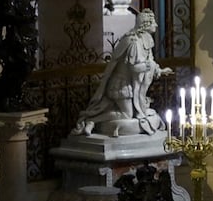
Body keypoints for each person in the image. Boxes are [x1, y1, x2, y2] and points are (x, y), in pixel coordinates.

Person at [73, 9, 172, 137]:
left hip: (132, 86)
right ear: (146, 24)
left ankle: (94, 120)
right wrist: (149, 66)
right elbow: (134, 68)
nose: (156, 25)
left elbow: (150, 61)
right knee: (127, 115)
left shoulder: (145, 40)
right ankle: (92, 120)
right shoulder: (133, 42)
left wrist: (159, 70)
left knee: (135, 114)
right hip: (122, 84)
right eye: (153, 23)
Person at [0, 0, 38, 111]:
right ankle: (3, 97)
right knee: (21, 65)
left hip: (28, 37)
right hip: (17, 38)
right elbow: (7, 16)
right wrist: (24, 19)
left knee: (28, 66)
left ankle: (15, 97)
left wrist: (30, 18)